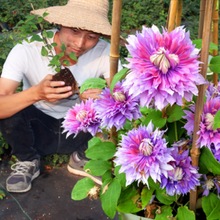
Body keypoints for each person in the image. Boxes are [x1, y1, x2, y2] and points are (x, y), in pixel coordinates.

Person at [0, 0, 118, 193]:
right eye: (74, 31)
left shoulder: (104, 52)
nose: (80, 44)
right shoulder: (27, 49)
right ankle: (28, 159)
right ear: (61, 23)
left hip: (80, 130)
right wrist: (35, 94)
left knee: (113, 106)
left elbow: (123, 96)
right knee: (12, 107)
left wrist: (105, 96)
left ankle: (83, 157)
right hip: (37, 130)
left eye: (92, 36)